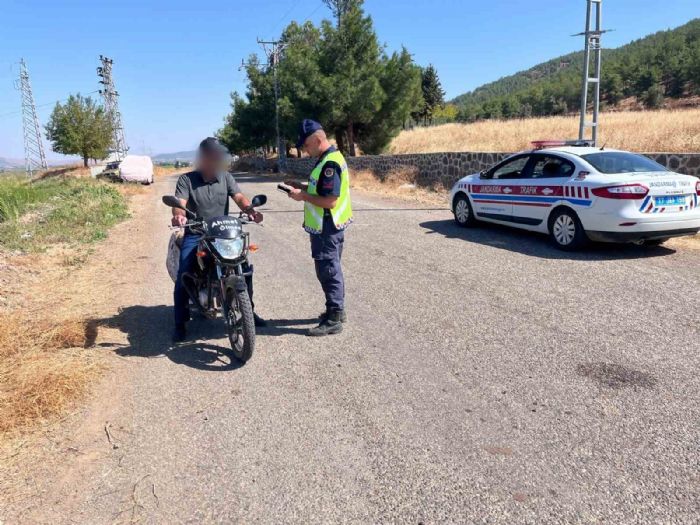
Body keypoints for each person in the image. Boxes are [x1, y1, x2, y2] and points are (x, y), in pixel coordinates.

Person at [171, 137, 265, 342]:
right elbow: (180, 203)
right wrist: (179, 215)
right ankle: (180, 322)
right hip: (197, 234)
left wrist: (249, 209)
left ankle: (249, 311)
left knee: (245, 269)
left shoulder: (226, 177)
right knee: (184, 274)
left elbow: (239, 197)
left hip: (222, 232)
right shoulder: (187, 180)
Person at [285, 119, 353, 336]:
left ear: (316, 139)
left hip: (327, 227)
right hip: (330, 226)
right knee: (332, 268)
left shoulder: (330, 163)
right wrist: (303, 187)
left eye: (305, 145)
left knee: (328, 270)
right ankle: (336, 310)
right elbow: (321, 189)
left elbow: (330, 201)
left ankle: (334, 318)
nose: (304, 149)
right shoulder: (327, 159)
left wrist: (303, 196)